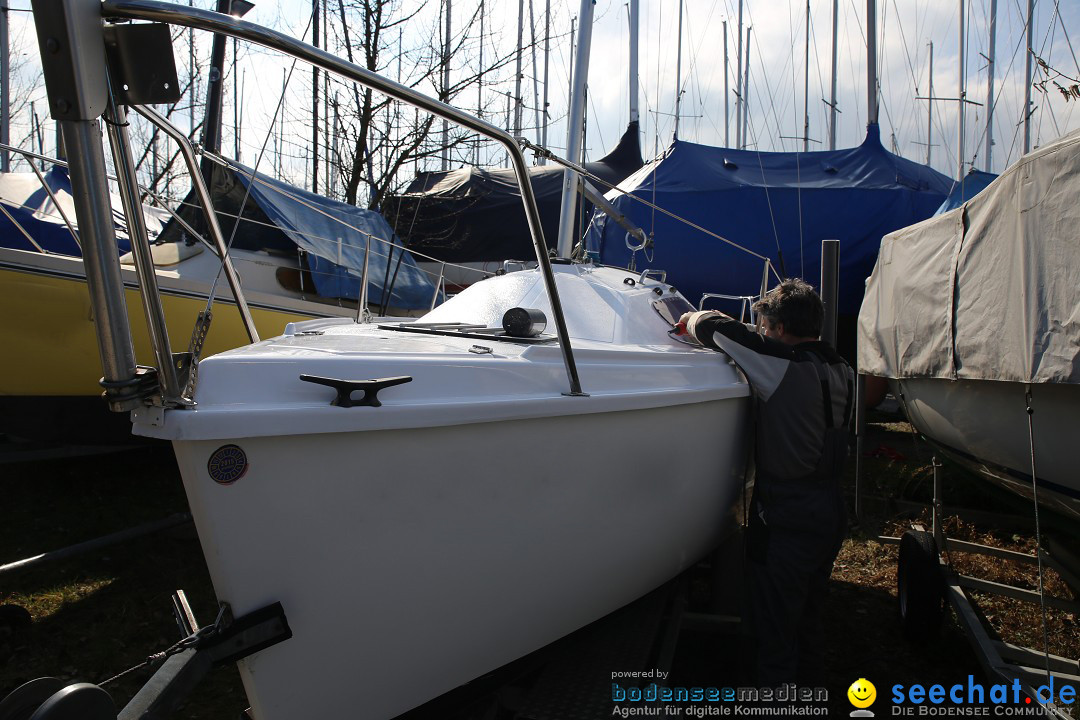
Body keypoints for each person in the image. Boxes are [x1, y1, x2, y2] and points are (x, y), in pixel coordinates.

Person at [678, 278, 852, 687]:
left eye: (767, 327)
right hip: (830, 509)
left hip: (788, 516)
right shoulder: (840, 367)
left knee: (774, 629)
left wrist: (688, 318)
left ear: (777, 327)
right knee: (808, 617)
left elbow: (711, 328)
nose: (763, 333)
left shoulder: (781, 365)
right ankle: (811, 693)